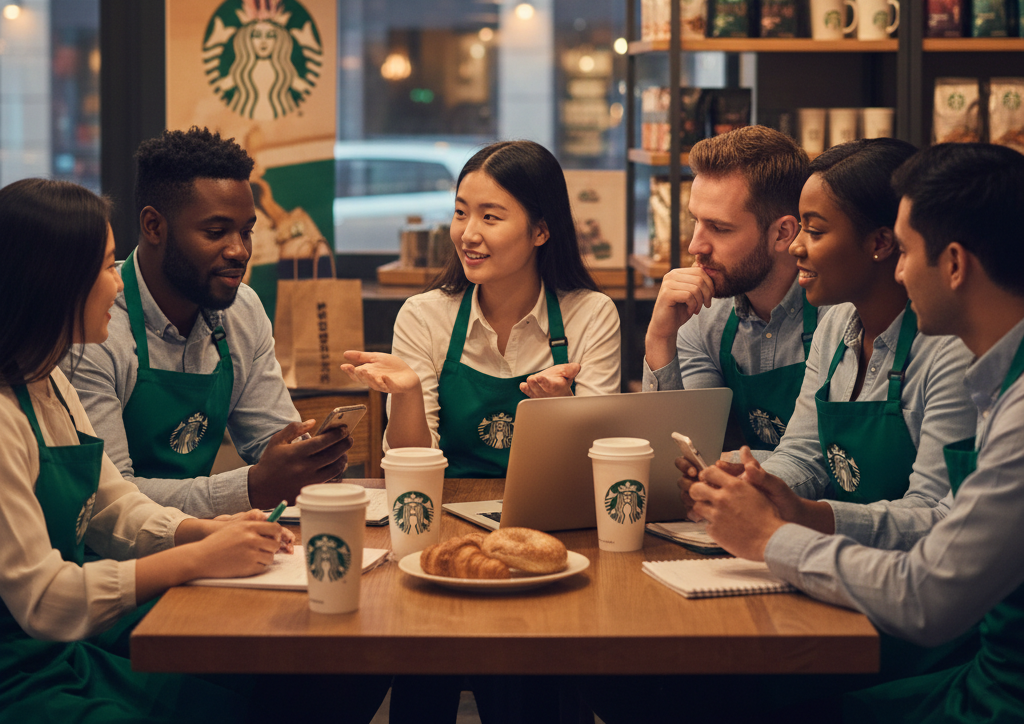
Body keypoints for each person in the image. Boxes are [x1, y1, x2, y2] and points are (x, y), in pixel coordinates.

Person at [0, 178, 389, 723]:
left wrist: (204, 532)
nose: (116, 284)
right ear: (52, 282)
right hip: (25, 666)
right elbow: (45, 600)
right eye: (108, 266)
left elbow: (112, 504)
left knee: (294, 683)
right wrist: (198, 553)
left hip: (66, 651)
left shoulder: (46, 384)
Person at [691, 142, 1024, 723]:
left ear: (954, 264)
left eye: (907, 252)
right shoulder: (993, 375)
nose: (898, 270)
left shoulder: (997, 392)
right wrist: (770, 491)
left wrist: (772, 536)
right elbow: (804, 451)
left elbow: (929, 593)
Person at [676, 139, 977, 541]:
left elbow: (938, 514)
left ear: (882, 243)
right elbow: (803, 455)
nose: (796, 246)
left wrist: (805, 515)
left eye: (814, 231)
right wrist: (751, 484)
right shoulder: (837, 325)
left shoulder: (950, 349)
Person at [66, 127, 349, 517]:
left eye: (247, 231)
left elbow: (274, 442)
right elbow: (110, 500)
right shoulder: (94, 325)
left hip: (206, 546)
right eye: (216, 232)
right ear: (154, 227)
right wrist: (251, 487)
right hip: (112, 564)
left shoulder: (241, 309)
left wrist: (308, 458)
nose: (239, 251)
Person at [342, 139, 621, 478]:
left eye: (490, 217)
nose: (467, 234)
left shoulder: (591, 315)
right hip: (447, 514)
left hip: (550, 514)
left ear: (540, 231)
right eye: (461, 213)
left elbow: (602, 464)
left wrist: (562, 408)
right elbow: (410, 470)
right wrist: (408, 395)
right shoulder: (423, 316)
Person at [643, 125, 818, 451]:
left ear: (783, 234)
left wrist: (722, 470)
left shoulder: (837, 311)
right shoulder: (703, 313)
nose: (696, 246)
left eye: (719, 228)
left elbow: (815, 463)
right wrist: (659, 339)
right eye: (696, 221)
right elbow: (685, 450)